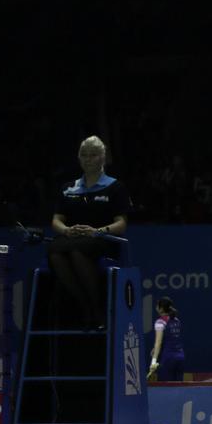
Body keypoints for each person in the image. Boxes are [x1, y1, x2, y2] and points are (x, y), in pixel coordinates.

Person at [48, 136, 131, 329]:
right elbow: (56, 221)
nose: (88, 159)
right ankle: (85, 305)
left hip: (103, 240)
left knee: (78, 251)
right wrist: (67, 230)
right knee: (54, 250)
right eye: (84, 155)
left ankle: (96, 309)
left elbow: (121, 224)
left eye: (93, 155)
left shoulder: (115, 187)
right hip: (73, 238)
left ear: (103, 158)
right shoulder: (68, 188)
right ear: (78, 158)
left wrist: (97, 231)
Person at [148, 297, 185, 382]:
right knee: (179, 389)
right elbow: (172, 338)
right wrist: (155, 349)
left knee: (165, 390)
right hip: (180, 358)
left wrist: (153, 362)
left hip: (168, 360)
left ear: (161, 308)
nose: (156, 307)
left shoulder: (160, 322)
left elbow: (158, 343)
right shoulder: (177, 320)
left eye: (157, 305)